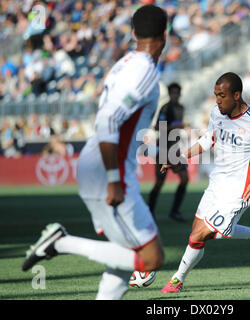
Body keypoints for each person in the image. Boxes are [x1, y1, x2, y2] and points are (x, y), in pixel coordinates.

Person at [22, 5, 168, 300]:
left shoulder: (125, 62)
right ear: (165, 35)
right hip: (108, 170)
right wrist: (114, 177)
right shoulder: (144, 70)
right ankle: (60, 242)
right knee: (151, 259)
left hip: (97, 163)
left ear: (134, 33)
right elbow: (108, 119)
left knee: (123, 254)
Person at [161, 72, 250, 293]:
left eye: (222, 95)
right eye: (216, 95)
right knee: (202, 232)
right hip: (216, 184)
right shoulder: (217, 113)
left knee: (199, 234)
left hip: (239, 191)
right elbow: (208, 139)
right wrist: (181, 157)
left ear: (237, 95)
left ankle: (176, 280)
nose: (218, 100)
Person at [148, 82, 188, 222]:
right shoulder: (165, 108)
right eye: (173, 93)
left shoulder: (181, 108)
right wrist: (173, 126)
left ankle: (174, 211)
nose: (175, 95)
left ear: (180, 94)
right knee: (159, 182)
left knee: (185, 178)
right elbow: (157, 127)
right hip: (164, 149)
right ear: (170, 94)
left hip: (174, 150)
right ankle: (149, 212)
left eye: (177, 93)